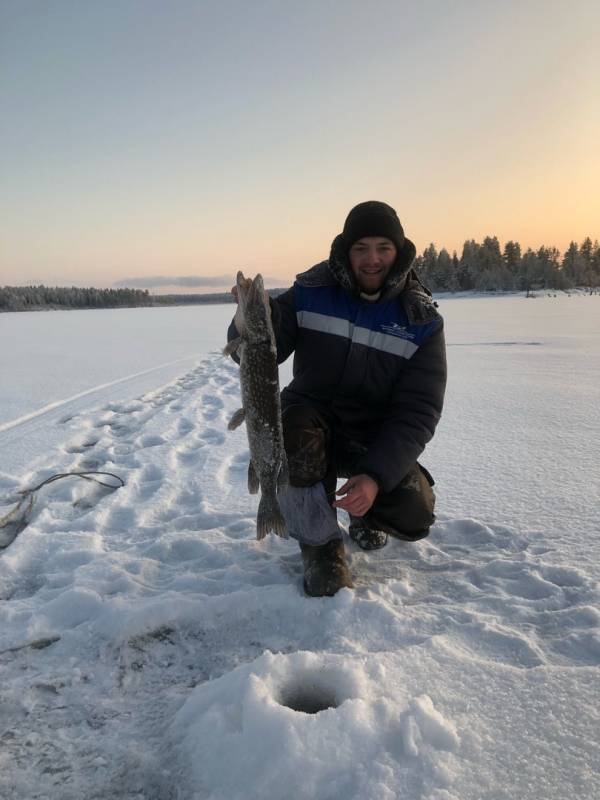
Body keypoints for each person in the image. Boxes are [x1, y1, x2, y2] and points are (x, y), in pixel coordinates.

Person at [228, 201, 447, 597]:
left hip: (372, 437)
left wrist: (377, 476)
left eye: (383, 247)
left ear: (399, 251)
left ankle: (368, 520)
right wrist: (248, 316)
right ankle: (320, 544)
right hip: (311, 424)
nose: (372, 259)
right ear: (346, 250)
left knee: (415, 509)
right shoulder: (313, 291)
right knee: (294, 433)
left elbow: (419, 412)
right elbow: (262, 347)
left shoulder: (421, 319)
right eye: (361, 248)